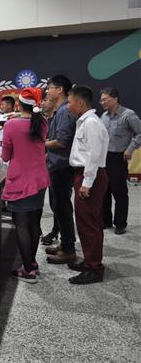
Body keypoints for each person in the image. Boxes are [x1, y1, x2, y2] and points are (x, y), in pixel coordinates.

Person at [2, 87, 50, 283]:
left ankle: (28, 269)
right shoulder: (42, 122)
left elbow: (6, 156)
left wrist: (12, 121)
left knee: (21, 224)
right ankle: (32, 262)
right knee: (34, 222)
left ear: (18, 104)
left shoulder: (11, 125)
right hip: (40, 179)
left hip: (21, 180)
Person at [66, 85, 109, 284]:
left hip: (88, 175)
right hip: (84, 174)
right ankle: (90, 261)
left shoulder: (91, 123)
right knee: (87, 221)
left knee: (88, 223)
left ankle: (94, 268)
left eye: (70, 102)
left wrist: (87, 182)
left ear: (80, 103)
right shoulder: (85, 121)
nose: (68, 106)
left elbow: (94, 155)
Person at [44, 75, 78, 264]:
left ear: (59, 90)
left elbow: (62, 141)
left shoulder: (65, 112)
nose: (47, 91)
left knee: (63, 208)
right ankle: (65, 244)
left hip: (62, 167)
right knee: (59, 207)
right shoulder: (60, 111)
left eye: (50, 88)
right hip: (56, 164)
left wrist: (42, 144)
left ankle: (69, 249)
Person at [100, 87, 141, 235]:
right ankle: (106, 220)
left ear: (115, 99)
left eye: (105, 99)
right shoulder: (103, 116)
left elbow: (140, 133)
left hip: (119, 157)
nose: (102, 102)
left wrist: (130, 149)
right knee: (104, 190)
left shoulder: (128, 115)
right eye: (101, 99)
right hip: (104, 157)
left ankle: (120, 223)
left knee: (119, 192)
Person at [39, 90, 62, 246]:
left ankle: (63, 238)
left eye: (46, 100)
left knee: (59, 203)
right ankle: (55, 231)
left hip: (58, 166)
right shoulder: (45, 119)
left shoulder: (59, 117)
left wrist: (42, 146)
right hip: (46, 165)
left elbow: (60, 142)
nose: (42, 103)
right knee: (53, 202)